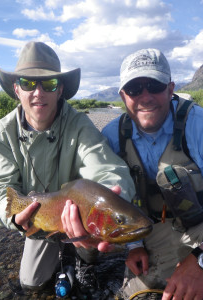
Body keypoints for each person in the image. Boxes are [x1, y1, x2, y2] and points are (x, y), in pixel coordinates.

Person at [0, 41, 135, 294]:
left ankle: (84, 261)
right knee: (32, 283)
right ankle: (64, 257)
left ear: (60, 89)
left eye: (48, 84)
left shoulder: (80, 125)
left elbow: (106, 168)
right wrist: (15, 219)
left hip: (81, 221)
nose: (38, 92)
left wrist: (110, 201)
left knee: (95, 238)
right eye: (28, 83)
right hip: (40, 222)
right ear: (16, 89)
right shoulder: (3, 132)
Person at [101, 48, 203, 299]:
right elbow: (116, 202)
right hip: (152, 231)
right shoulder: (111, 137)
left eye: (154, 86)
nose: (145, 97)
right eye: (135, 89)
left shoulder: (198, 125)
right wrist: (134, 246)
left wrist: (199, 261)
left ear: (170, 89)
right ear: (123, 96)